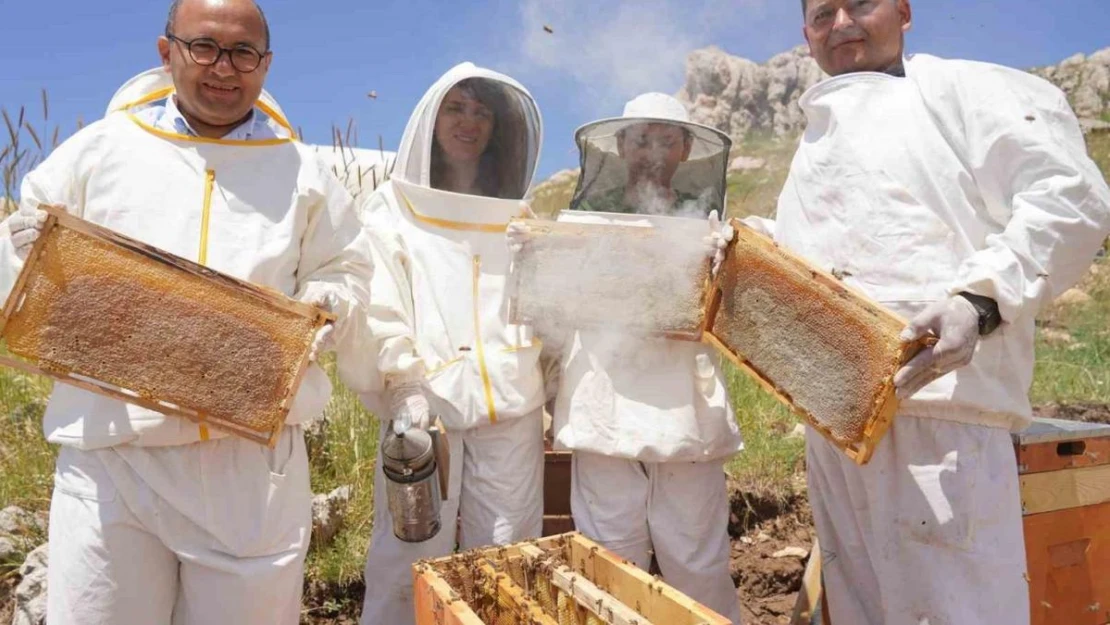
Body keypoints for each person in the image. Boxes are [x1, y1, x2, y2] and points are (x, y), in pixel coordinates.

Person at [0, 1, 376, 623]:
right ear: (166, 50)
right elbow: (25, 246)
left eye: (243, 53)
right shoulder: (98, 150)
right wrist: (33, 257)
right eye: (204, 47)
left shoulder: (305, 171)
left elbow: (349, 269)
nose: (223, 68)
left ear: (266, 64)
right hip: (111, 452)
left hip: (251, 467)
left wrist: (325, 307)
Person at [744, 1, 1110, 623]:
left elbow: (1069, 197)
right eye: (822, 13)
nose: (841, 24)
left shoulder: (965, 90)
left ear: (905, 12)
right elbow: (820, 260)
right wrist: (739, 246)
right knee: (862, 605)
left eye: (860, 3)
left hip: (943, 417)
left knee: (955, 610)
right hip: (833, 423)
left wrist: (980, 300)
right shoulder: (816, 143)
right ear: (805, 35)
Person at [511, 92, 745, 623]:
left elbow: (734, 322)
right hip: (602, 401)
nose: (652, 151)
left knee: (696, 557)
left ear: (686, 149)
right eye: (641, 138)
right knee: (610, 557)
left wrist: (727, 267)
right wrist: (529, 262)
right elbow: (551, 317)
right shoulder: (581, 221)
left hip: (686, 411)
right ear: (619, 146)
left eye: (666, 139)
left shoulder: (708, 223)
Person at [356, 63, 547, 625]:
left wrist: (553, 382)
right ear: (432, 119)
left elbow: (543, 309)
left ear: (498, 127)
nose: (469, 122)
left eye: (482, 112)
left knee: (508, 556)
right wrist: (404, 388)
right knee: (407, 557)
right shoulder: (391, 209)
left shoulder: (520, 217)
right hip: (424, 411)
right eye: (456, 108)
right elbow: (379, 305)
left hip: (513, 408)